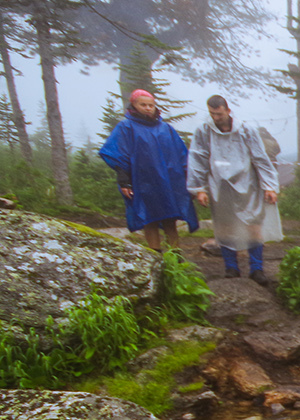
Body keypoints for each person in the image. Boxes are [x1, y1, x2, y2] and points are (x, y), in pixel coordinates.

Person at [186, 95, 281, 284]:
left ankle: (256, 269)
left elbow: (260, 158)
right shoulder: (204, 131)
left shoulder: (246, 130)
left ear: (228, 111)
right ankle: (231, 268)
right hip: (220, 185)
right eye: (212, 114)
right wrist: (199, 189)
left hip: (248, 184)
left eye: (219, 114)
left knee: (253, 225)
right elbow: (198, 158)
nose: (216, 118)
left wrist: (269, 185)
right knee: (224, 227)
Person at [99, 90, 199, 253]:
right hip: (142, 182)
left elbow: (182, 156)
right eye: (143, 105)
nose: (147, 108)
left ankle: (176, 258)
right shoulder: (126, 127)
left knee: (170, 218)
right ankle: (155, 255)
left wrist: (190, 181)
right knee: (149, 218)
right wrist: (124, 180)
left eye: (151, 105)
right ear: (134, 105)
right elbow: (117, 154)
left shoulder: (166, 128)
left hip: (169, 182)